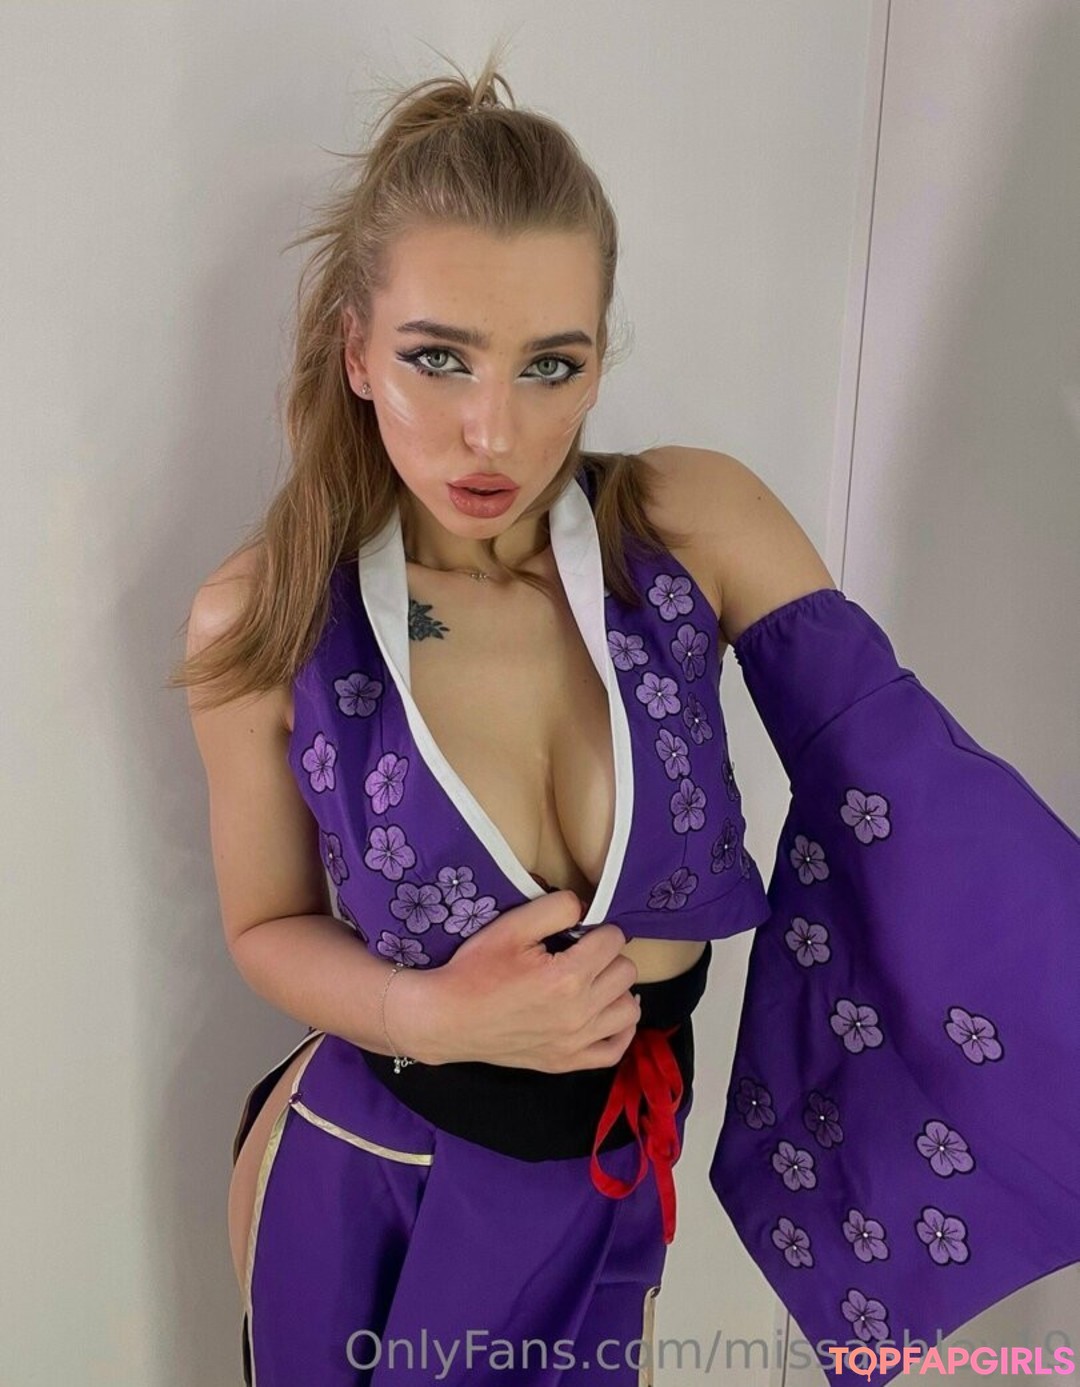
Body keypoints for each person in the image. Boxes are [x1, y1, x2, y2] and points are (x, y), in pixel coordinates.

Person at [177, 48, 1080, 1387]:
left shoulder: (684, 528)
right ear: (357, 350)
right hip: (376, 1182)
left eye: (551, 363)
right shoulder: (270, 616)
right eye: (439, 359)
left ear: (601, 359)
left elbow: (905, 778)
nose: (493, 431)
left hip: (611, 1186)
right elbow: (264, 927)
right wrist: (432, 1018)